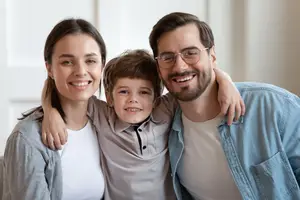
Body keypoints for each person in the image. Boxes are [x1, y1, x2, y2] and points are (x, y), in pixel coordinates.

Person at [42, 49, 245, 199]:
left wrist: (225, 79)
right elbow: (59, 86)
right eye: (123, 91)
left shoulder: (163, 111)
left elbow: (193, 83)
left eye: (144, 92)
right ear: (110, 98)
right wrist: (49, 111)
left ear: (156, 97)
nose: (133, 99)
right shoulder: (103, 115)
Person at [149, 12, 300, 200]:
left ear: (212, 55)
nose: (179, 67)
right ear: (158, 67)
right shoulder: (163, 126)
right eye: (167, 57)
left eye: (191, 53)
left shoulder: (271, 105)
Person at [2, 18, 107, 200]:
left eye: (90, 60)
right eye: (67, 62)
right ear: (49, 68)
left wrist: (49, 106)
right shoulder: (27, 139)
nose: (81, 71)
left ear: (102, 66)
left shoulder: (107, 121)